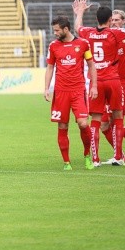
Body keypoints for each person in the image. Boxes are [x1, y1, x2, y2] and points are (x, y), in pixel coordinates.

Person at [73, 0, 125, 167]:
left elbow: (77, 28)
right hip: (113, 80)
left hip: (96, 82)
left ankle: (95, 159)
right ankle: (118, 156)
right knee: (118, 116)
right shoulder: (115, 32)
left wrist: (80, 11)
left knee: (96, 120)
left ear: (96, 19)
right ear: (111, 20)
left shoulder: (88, 33)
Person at [44, 16, 97, 170]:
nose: (54, 33)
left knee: (83, 123)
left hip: (78, 90)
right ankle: (66, 162)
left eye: (57, 30)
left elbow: (91, 66)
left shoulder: (83, 44)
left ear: (66, 29)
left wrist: (94, 86)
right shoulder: (53, 46)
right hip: (61, 92)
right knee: (62, 125)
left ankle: (87, 155)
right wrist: (46, 87)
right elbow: (50, 68)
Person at [100, 9, 125, 164]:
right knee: (104, 124)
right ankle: (120, 155)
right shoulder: (107, 38)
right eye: (113, 20)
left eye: (118, 20)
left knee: (124, 119)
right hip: (109, 83)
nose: (114, 23)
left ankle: (118, 156)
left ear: (123, 21)